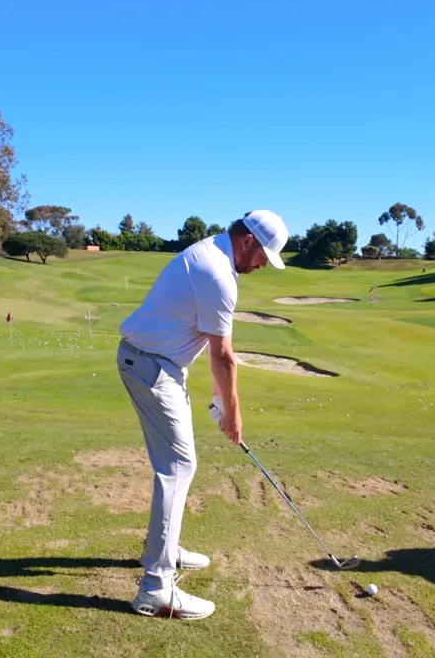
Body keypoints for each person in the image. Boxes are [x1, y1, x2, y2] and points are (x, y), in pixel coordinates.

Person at [115, 209, 289, 620]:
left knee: (178, 465)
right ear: (248, 240)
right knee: (178, 467)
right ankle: (156, 588)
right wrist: (233, 414)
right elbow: (223, 356)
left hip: (155, 364)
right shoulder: (218, 273)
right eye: (264, 255)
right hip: (151, 366)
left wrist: (220, 400)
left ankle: (163, 549)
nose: (263, 265)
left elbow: (211, 346)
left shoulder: (212, 254)